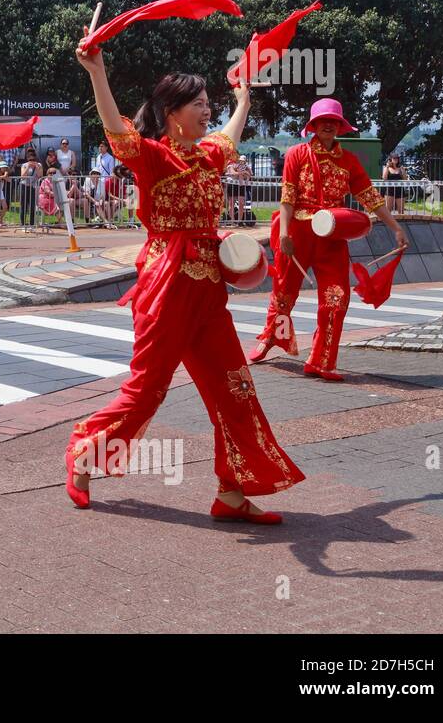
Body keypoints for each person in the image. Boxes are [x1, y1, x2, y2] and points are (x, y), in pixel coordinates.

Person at [65, 29, 303, 523]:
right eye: (199, 103)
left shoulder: (208, 156)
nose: (207, 110)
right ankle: (85, 453)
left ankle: (231, 494)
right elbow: (115, 129)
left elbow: (230, 137)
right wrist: (97, 72)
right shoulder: (154, 157)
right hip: (165, 284)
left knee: (235, 387)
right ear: (173, 112)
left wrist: (243, 99)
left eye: (209, 103)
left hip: (207, 288)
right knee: (148, 389)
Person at [249, 99, 409, 378]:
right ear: (312, 125)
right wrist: (284, 233)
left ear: (339, 127)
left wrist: (395, 227)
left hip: (332, 236)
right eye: (322, 120)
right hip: (298, 233)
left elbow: (370, 198)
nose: (327, 125)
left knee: (338, 297)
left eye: (333, 121)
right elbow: (287, 199)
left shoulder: (349, 161)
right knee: (284, 293)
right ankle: (271, 337)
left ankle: (321, 360)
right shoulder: (297, 154)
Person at [17, 147, 42, 226]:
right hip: (24, 186)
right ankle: (22, 224)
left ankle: (31, 224)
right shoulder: (24, 165)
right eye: (30, 160)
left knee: (32, 206)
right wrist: (28, 167)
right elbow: (22, 176)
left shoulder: (39, 165)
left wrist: (36, 167)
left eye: (33, 160)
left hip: (33, 187)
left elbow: (40, 176)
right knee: (23, 205)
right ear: (27, 159)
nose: (32, 161)